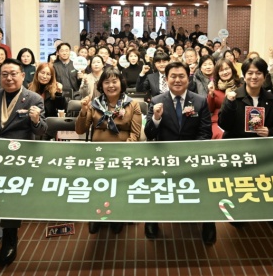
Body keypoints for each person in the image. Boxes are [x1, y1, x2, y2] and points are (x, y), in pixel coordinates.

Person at [0, 59, 47, 265]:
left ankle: (10, 236)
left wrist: (35, 120)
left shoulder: (33, 98)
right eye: (4, 74)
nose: (9, 78)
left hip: (19, 157)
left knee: (10, 194)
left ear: (23, 76)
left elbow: (41, 131)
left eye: (13, 74)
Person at [144, 62, 213, 243]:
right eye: (173, 76)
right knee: (155, 185)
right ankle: (152, 219)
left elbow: (205, 132)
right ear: (166, 79)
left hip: (193, 155)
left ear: (188, 78)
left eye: (181, 76)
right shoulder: (157, 101)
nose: (177, 80)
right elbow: (149, 134)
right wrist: (156, 118)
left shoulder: (199, 101)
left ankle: (208, 222)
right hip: (164, 157)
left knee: (205, 185)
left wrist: (191, 153)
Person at [76, 66, 142, 235]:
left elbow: (135, 134)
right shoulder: (94, 104)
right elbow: (80, 130)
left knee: (118, 186)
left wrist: (123, 151)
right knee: (97, 186)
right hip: (98, 155)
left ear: (121, 83)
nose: (111, 85)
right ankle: (96, 216)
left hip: (122, 154)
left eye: (114, 81)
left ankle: (116, 216)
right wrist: (83, 111)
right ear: (101, 85)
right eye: (106, 82)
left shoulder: (132, 104)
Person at [219, 57, 273, 140]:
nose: (254, 77)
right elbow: (224, 125)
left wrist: (270, 131)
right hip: (237, 144)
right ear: (244, 76)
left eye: (258, 73)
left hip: (262, 143)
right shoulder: (233, 97)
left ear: (264, 77)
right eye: (250, 73)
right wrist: (229, 104)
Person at [206, 58, 241, 139]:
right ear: (218, 73)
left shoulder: (240, 86)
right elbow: (210, 109)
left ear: (232, 69)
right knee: (222, 136)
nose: (225, 72)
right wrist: (211, 93)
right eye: (221, 70)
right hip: (218, 122)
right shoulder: (214, 87)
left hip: (237, 120)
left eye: (227, 68)